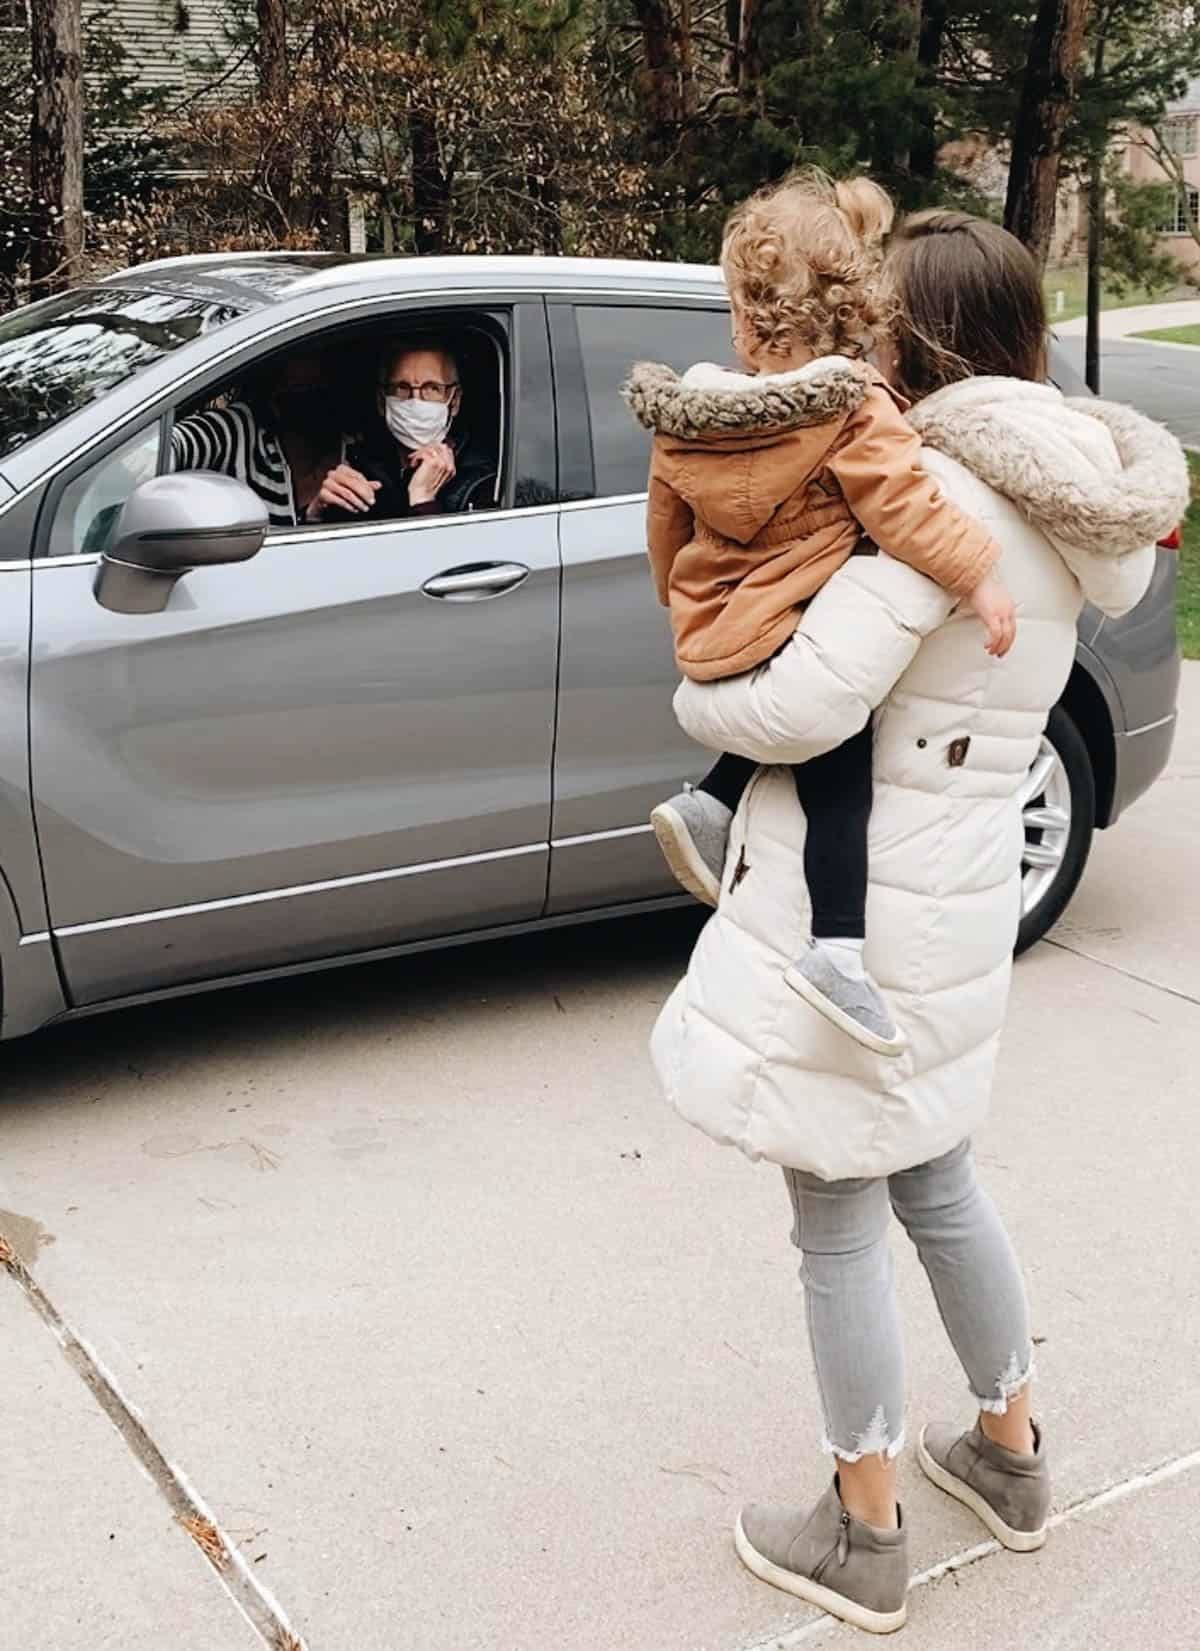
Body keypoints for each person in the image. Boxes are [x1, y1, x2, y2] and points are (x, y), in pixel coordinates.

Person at [650, 208, 1188, 1634]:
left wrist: (695, 703)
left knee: (837, 1211)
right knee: (939, 1177)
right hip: (956, 911)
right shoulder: (1074, 507)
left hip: (861, 914)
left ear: (920, 334)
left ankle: (862, 1527)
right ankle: (1009, 1452)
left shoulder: (933, 501)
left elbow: (803, 702)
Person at [625, 172, 1016, 1060]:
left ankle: (713, 796)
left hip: (713, 633)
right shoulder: (852, 409)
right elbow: (906, 510)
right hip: (788, 629)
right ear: (850, 313)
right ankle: (839, 949)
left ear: (745, 317)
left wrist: (685, 602)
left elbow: (663, 528)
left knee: (798, 684)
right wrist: (982, 577)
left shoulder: (694, 413)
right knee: (842, 767)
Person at [312, 337, 498, 522]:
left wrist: (423, 500)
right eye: (402, 387)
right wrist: (315, 515)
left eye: (432, 388)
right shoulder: (363, 468)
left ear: (454, 401)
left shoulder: (483, 484)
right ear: (381, 401)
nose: (416, 400)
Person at [171, 352, 354, 527]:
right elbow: (168, 445)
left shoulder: (365, 453)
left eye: (320, 388)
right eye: (299, 390)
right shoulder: (238, 433)